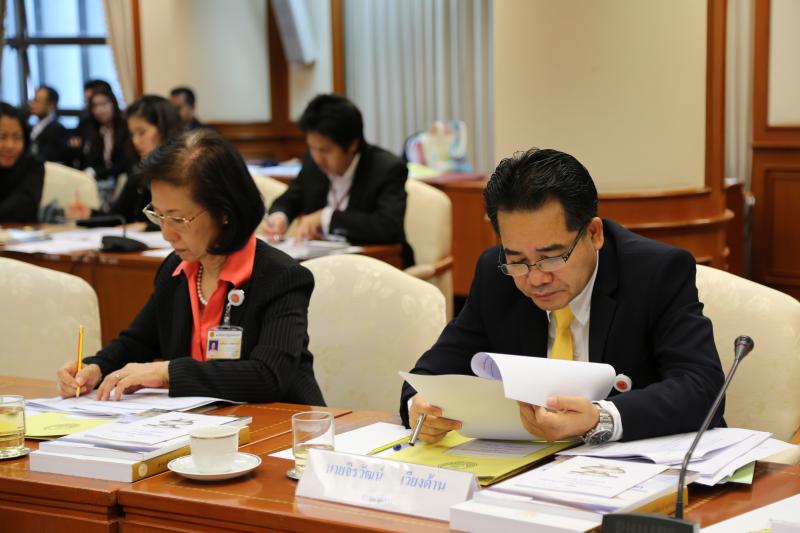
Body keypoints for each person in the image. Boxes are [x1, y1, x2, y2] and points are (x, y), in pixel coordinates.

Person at [401, 148, 725, 444]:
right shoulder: (495, 274)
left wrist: (600, 418)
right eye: (517, 260)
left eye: (552, 257)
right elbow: (429, 374)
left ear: (594, 234)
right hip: (529, 472)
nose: (536, 278)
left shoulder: (656, 272)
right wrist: (419, 407)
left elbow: (702, 387)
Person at [57, 129, 324, 405]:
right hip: (208, 423)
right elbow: (138, 341)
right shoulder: (177, 269)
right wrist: (96, 367)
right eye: (158, 215)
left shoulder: (281, 277)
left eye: (178, 219)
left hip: (284, 424)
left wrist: (167, 373)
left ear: (224, 212)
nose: (167, 234)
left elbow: (267, 377)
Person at [262, 94, 411, 265]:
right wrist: (280, 218)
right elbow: (290, 199)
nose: (317, 158)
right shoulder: (313, 162)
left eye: (325, 150)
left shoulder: (386, 168)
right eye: (311, 148)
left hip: (377, 265)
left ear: (352, 144)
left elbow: (388, 227)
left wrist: (326, 218)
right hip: (323, 265)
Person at [71, 95, 183, 222]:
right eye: (132, 134)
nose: (136, 141)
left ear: (165, 129)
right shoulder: (138, 171)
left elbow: (185, 220)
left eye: (142, 132)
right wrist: (89, 214)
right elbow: (117, 216)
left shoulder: (184, 172)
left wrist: (147, 227)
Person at [0, 102, 44, 223]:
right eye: (2, 137)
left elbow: (23, 206)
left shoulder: (33, 165)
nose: (10, 145)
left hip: (23, 232)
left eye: (17, 137)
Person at [80, 87, 133, 184]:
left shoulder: (126, 127)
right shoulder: (92, 129)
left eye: (103, 104)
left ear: (113, 103)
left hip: (123, 180)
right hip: (101, 182)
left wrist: (96, 172)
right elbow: (91, 160)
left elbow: (124, 164)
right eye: (94, 106)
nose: (99, 110)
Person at [29, 85, 69, 165]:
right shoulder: (33, 125)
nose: (32, 104)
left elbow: (47, 158)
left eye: (36, 100)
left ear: (51, 105)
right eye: (32, 100)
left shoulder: (57, 130)